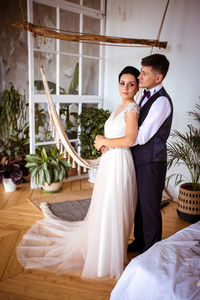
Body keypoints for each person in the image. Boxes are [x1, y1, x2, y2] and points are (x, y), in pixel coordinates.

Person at [17, 66, 140, 280]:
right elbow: (117, 136)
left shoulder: (132, 110)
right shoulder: (118, 108)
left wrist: (104, 141)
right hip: (110, 161)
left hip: (120, 163)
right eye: (122, 83)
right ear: (118, 85)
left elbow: (130, 140)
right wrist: (104, 142)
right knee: (104, 205)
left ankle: (107, 258)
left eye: (131, 84)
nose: (126, 88)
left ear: (137, 87)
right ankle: (99, 249)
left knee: (114, 206)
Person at [128, 53, 173, 254]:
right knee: (139, 205)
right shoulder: (144, 96)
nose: (139, 77)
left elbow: (142, 136)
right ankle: (139, 242)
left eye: (144, 73)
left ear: (158, 78)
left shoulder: (162, 101)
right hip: (140, 160)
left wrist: (116, 143)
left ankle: (151, 251)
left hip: (152, 163)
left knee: (150, 208)